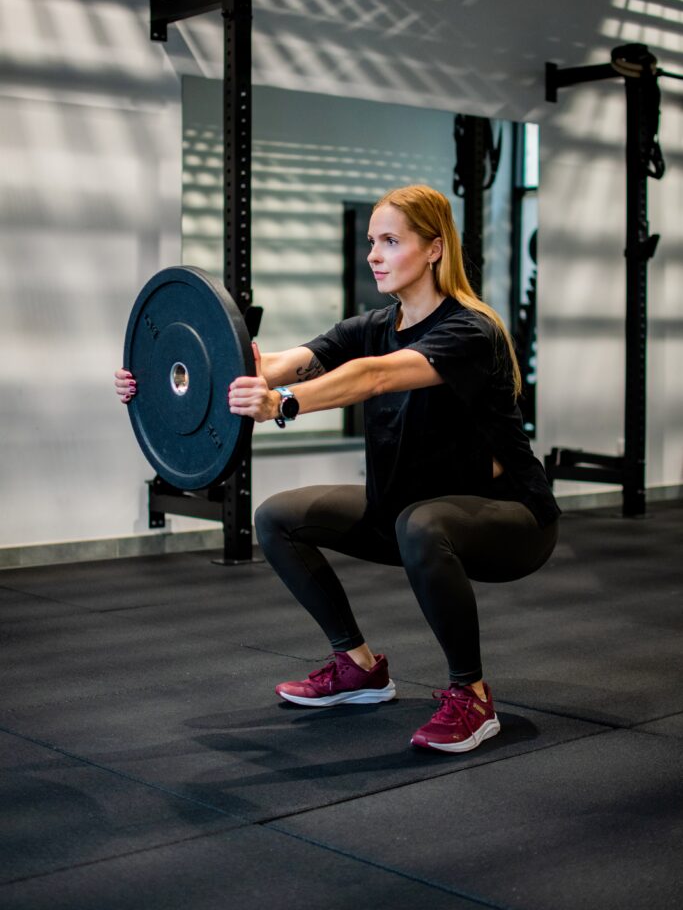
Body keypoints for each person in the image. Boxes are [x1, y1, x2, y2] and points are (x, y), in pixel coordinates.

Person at [115, 184, 560, 754]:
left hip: (513, 520)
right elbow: (281, 362)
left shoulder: (470, 330)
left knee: (422, 524)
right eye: (372, 242)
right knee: (277, 517)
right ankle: (358, 667)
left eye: (391, 241)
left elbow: (375, 375)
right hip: (407, 509)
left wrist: (284, 404)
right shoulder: (369, 326)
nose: (374, 255)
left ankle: (471, 697)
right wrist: (160, 379)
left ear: (434, 249)